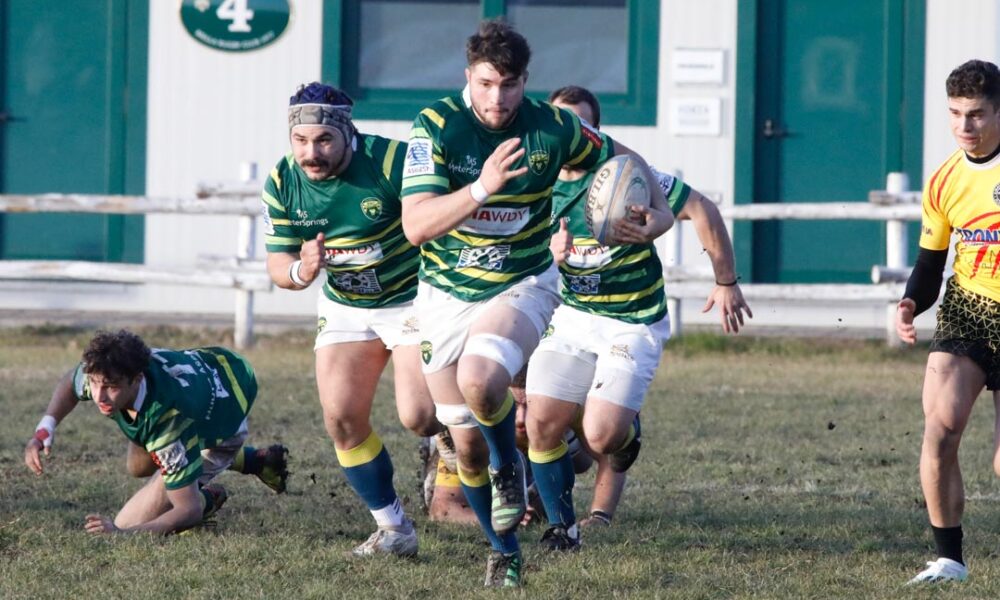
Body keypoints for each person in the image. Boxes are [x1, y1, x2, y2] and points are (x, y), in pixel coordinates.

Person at [400, 20, 673, 587]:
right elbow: (416, 227)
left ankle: (510, 468)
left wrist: (663, 214)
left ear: (526, 81)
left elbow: (627, 156)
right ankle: (504, 550)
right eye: (485, 84)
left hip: (521, 282)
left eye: (509, 85)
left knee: (482, 381)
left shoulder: (554, 127)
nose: (496, 98)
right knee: (464, 447)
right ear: (467, 79)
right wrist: (481, 188)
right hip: (446, 293)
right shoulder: (435, 128)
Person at [524, 85, 752, 550]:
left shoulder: (626, 173)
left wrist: (725, 280)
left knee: (603, 435)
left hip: (633, 319)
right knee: (541, 421)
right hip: (571, 315)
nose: (571, 133)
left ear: (596, 130)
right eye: (561, 122)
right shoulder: (535, 182)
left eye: (582, 124)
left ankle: (624, 434)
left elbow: (701, 208)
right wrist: (550, 258)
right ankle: (561, 528)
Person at [262, 82, 443, 557]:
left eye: (323, 140)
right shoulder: (282, 181)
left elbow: (443, 216)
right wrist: (303, 269)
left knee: (420, 416)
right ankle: (395, 529)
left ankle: (450, 437)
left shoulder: (392, 163)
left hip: (413, 299)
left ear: (347, 132)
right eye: (300, 141)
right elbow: (278, 267)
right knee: (341, 418)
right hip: (346, 304)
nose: (310, 152)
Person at [896, 59, 1000, 584]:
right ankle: (950, 560)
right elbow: (931, 262)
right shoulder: (944, 180)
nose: (965, 127)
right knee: (940, 428)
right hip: (969, 309)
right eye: (956, 114)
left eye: (977, 115)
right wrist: (912, 301)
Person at [23, 329, 288, 535]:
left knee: (130, 522)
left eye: (111, 387)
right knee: (138, 467)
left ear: (137, 379)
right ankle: (257, 460)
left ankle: (211, 495)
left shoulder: (167, 424)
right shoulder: (110, 370)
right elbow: (71, 382)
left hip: (228, 406)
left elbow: (188, 510)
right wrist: (44, 429)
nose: (98, 396)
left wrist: (122, 534)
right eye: (94, 384)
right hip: (216, 364)